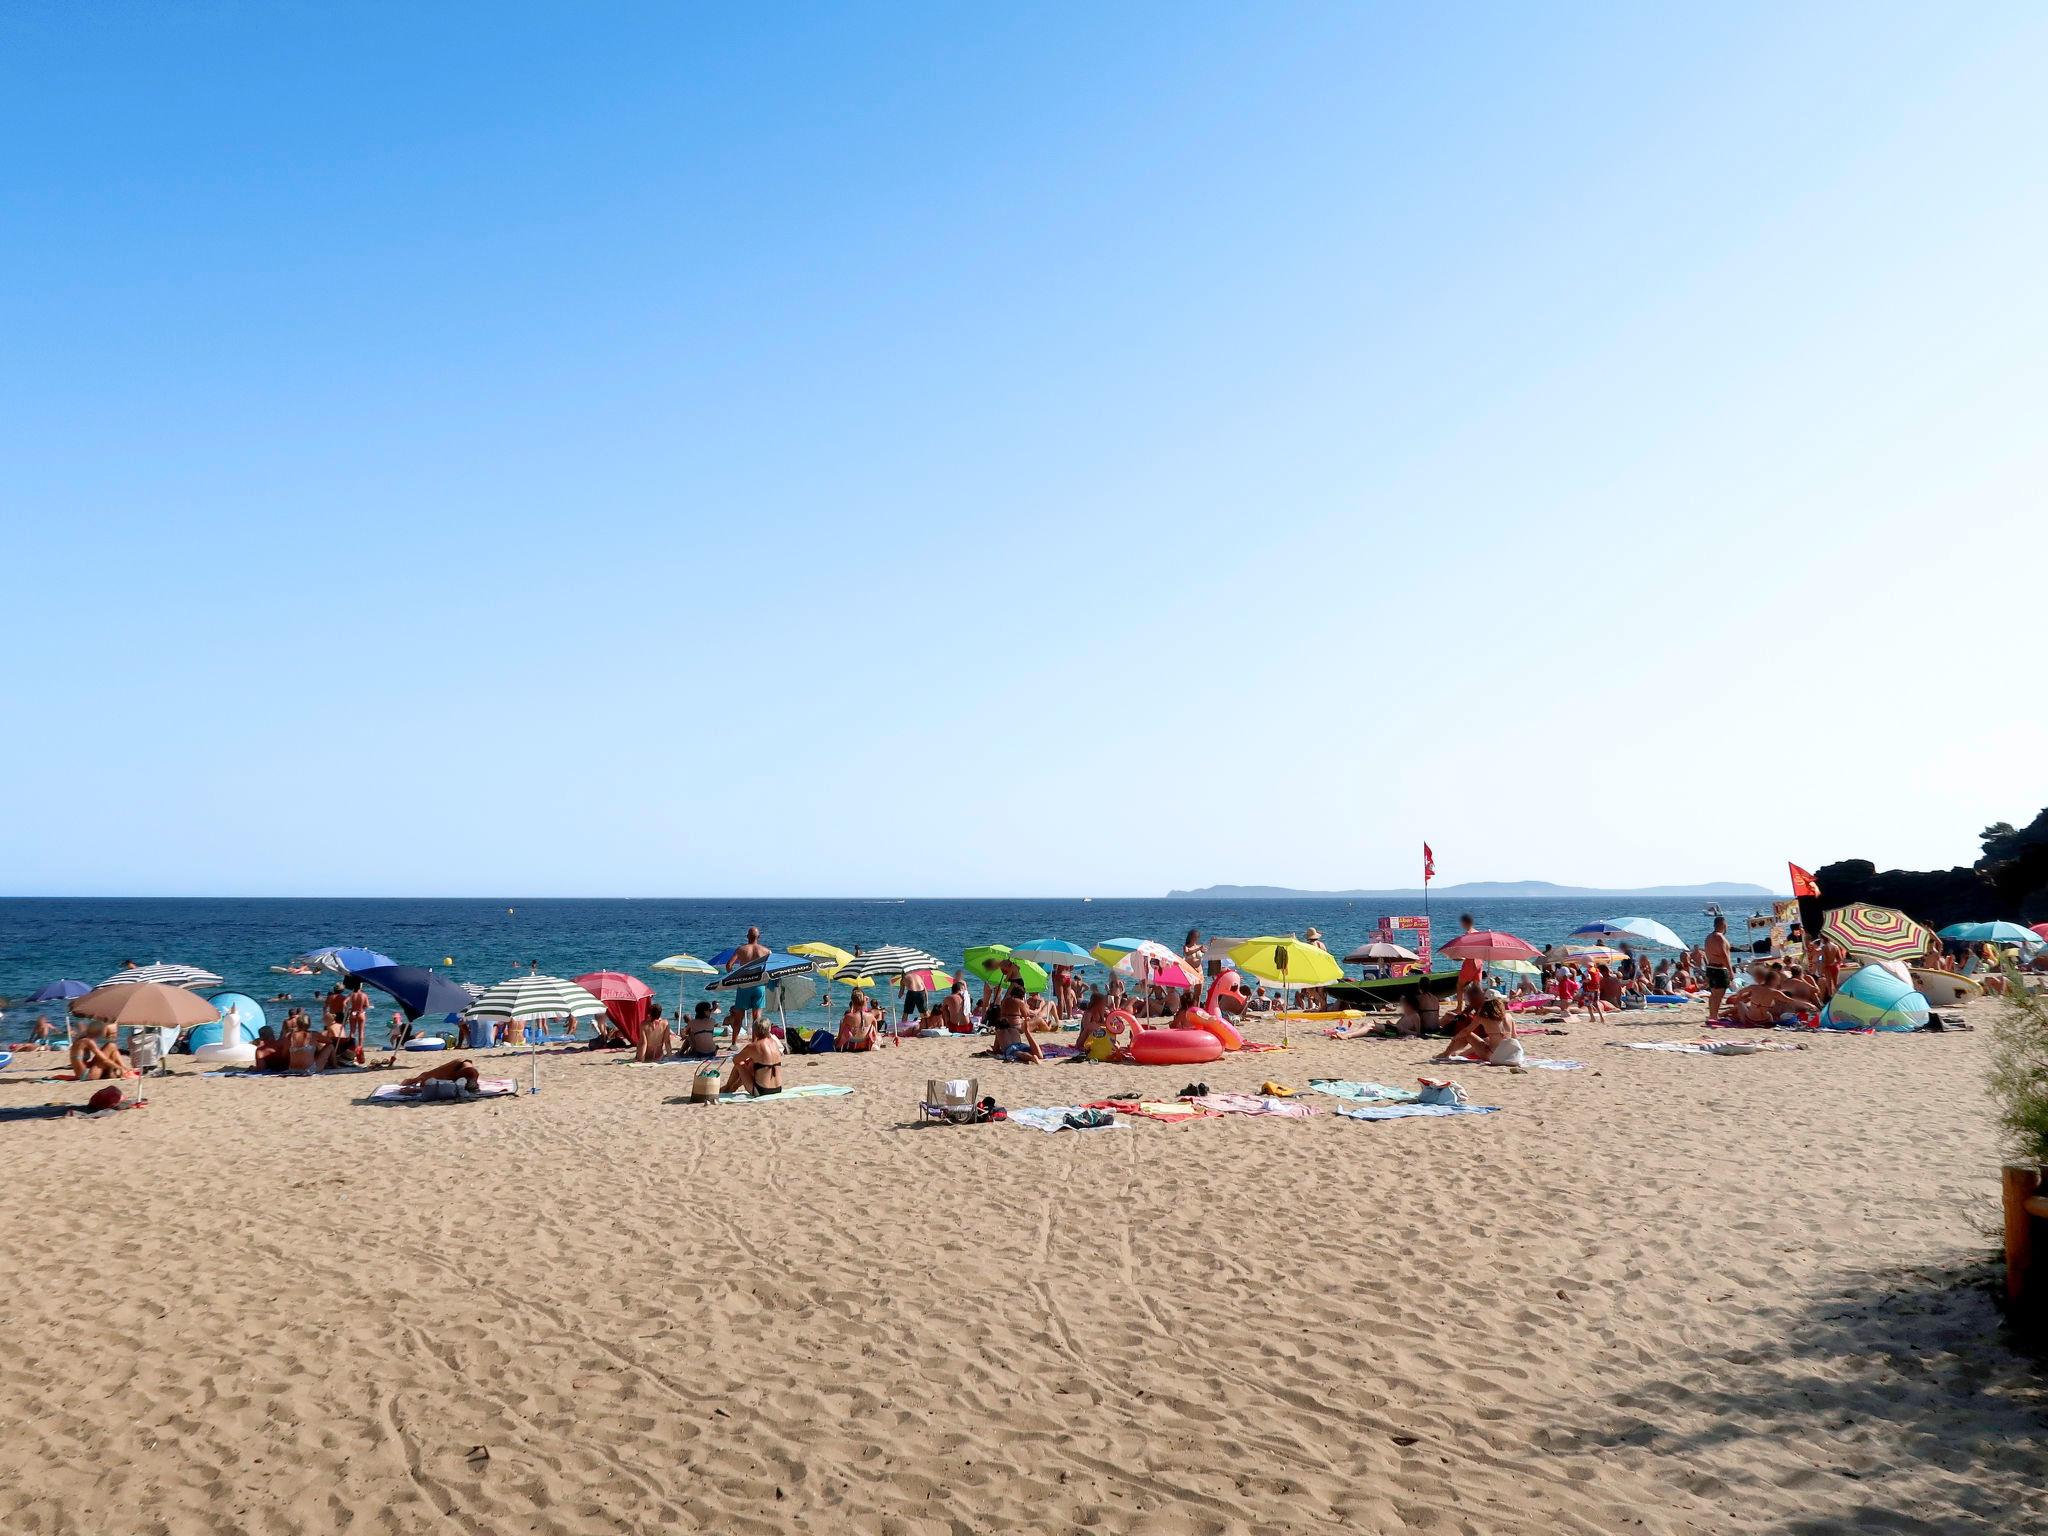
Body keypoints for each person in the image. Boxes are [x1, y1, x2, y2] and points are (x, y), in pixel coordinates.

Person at [1433, 994, 1518, 1064]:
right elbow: (1514, 1037)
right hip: (1508, 1054)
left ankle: (1446, 1054)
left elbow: (1466, 1031)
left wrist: (1454, 1038)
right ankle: (1460, 1054)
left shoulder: (1482, 1017)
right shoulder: (1509, 1017)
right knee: (1486, 1039)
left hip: (1492, 1055)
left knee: (1468, 1035)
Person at [727, 927, 771, 1045]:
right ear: (759, 937)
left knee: (739, 1016)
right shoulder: (766, 951)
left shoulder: (741, 949)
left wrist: (733, 976)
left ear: (747, 936)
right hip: (758, 984)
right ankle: (754, 1042)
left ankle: (734, 1044)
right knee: (757, 1017)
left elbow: (729, 965)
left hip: (744, 984)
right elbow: (771, 968)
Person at [722, 1019, 784, 1096]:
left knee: (740, 1063)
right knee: (752, 1062)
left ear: (754, 1031)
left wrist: (748, 1062)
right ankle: (733, 1086)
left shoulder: (754, 1046)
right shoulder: (774, 1043)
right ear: (769, 1029)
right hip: (778, 1089)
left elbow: (736, 1059)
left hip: (761, 1091)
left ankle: (728, 1087)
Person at [992, 984, 1043, 1061]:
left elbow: (996, 1048)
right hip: (1017, 1027)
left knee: (1018, 1053)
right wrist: (1027, 1006)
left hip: (1010, 1031)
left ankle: (1031, 1057)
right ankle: (1048, 1028)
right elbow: (1026, 1015)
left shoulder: (1004, 1000)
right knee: (1039, 1019)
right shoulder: (1020, 1002)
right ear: (1022, 994)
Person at [1703, 914, 1735, 1022]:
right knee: (1719, 994)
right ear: (1723, 924)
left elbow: (1708, 953)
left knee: (1714, 994)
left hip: (1711, 967)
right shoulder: (1719, 937)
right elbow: (1724, 955)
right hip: (1719, 969)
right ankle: (1714, 1016)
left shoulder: (1709, 937)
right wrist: (1730, 971)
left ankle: (1712, 1014)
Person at [399, 1058, 482, 1092]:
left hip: (460, 1068)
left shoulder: (468, 1072)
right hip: (460, 1068)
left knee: (425, 1079)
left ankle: (415, 1080)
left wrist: (417, 1090)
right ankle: (415, 1080)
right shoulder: (469, 1072)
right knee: (425, 1078)